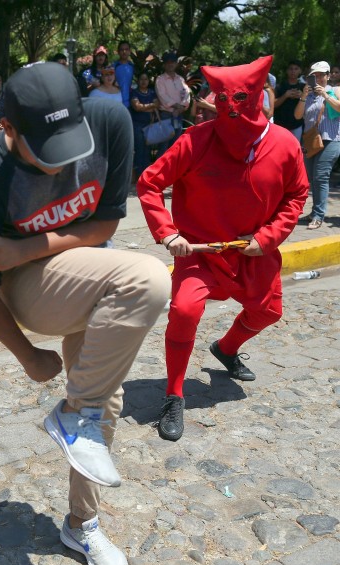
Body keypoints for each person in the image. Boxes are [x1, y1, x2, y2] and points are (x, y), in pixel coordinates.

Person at [0, 62, 170, 565]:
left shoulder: (110, 121)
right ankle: (77, 421)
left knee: (100, 402)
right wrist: (27, 354)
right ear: (6, 129)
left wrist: (29, 243)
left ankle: (83, 523)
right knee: (146, 278)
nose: (63, 164)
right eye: (45, 150)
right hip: (26, 287)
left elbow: (106, 222)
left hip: (85, 265)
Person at [137, 56, 309, 442]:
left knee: (268, 312)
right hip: (200, 253)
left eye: (241, 99)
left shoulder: (284, 144)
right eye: (224, 99)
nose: (232, 108)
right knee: (184, 310)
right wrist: (167, 233)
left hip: (253, 251)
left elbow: (297, 195)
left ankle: (226, 348)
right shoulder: (194, 140)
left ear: (259, 97)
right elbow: (149, 184)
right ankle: (174, 394)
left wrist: (267, 238)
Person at [294, 60, 340, 230]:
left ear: (328, 76)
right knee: (313, 178)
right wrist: (304, 96)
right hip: (311, 141)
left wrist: (326, 96)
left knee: (321, 176)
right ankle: (314, 212)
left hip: (331, 139)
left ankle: (319, 216)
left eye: (321, 75)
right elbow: (298, 116)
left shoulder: (335, 91)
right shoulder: (308, 95)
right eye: (314, 76)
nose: (318, 79)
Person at [155, 51, 190, 154]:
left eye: (172, 62)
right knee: (163, 147)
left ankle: (172, 169)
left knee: (175, 146)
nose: (170, 64)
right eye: (168, 62)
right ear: (164, 64)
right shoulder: (160, 79)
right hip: (166, 115)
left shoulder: (180, 79)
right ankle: (160, 169)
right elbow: (162, 96)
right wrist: (177, 106)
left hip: (178, 115)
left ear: (176, 64)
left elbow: (187, 94)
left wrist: (181, 107)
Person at [129, 71, 159, 177]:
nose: (143, 81)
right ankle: (137, 174)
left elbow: (157, 104)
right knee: (139, 149)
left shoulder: (152, 92)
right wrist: (150, 107)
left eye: (145, 79)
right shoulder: (134, 92)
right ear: (138, 81)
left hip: (150, 125)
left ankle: (146, 174)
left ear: (148, 81)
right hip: (137, 124)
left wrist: (143, 107)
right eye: (141, 79)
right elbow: (136, 107)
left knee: (147, 150)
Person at [274, 60, 305, 141]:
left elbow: (311, 104)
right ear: (287, 71)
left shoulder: (304, 87)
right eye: (290, 69)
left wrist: (302, 96)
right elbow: (273, 104)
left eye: (296, 69)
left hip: (297, 125)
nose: (293, 71)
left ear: (300, 71)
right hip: (280, 125)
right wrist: (285, 95)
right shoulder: (280, 86)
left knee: (295, 150)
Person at [113, 41, 134, 107]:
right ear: (118, 52)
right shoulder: (114, 66)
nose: (124, 52)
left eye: (126, 49)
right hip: (117, 100)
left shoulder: (132, 66)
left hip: (130, 101)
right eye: (122, 50)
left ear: (129, 51)